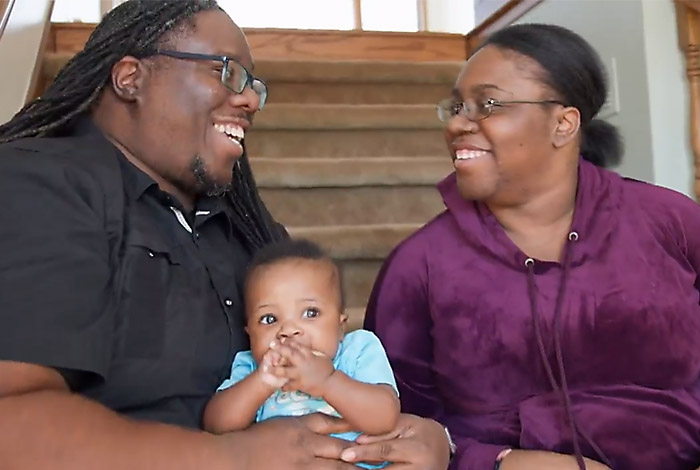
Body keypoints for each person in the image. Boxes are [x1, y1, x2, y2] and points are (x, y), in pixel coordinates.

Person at [0, 1, 451, 469]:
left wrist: (426, 439)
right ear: (131, 77)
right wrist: (230, 459)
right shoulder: (40, 184)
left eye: (255, 86)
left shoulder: (247, 227)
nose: (251, 101)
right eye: (229, 73)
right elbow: (9, 422)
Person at [364, 22, 700, 470]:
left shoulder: (670, 221)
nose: (458, 124)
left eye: (488, 104)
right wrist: (498, 460)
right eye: (457, 106)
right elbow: (398, 421)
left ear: (564, 123)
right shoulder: (418, 266)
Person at [204, 239, 400, 469]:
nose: (288, 330)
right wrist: (262, 382)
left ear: (341, 327)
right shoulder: (251, 368)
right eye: (269, 319)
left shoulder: (357, 350)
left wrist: (328, 382)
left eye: (310, 312)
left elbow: (384, 417)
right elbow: (216, 426)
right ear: (250, 333)